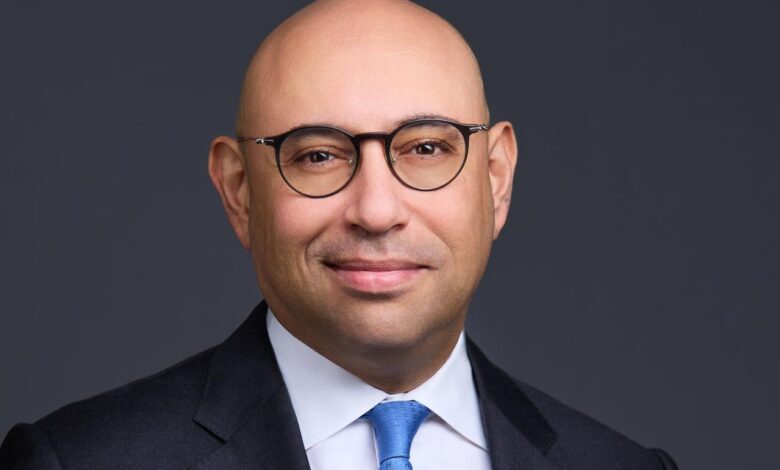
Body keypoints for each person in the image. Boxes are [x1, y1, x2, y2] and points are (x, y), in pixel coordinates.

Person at [0, 1, 677, 469]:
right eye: (318, 155)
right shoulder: (78, 462)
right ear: (239, 191)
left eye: (426, 148)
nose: (376, 211)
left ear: (496, 179)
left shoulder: (622, 467)